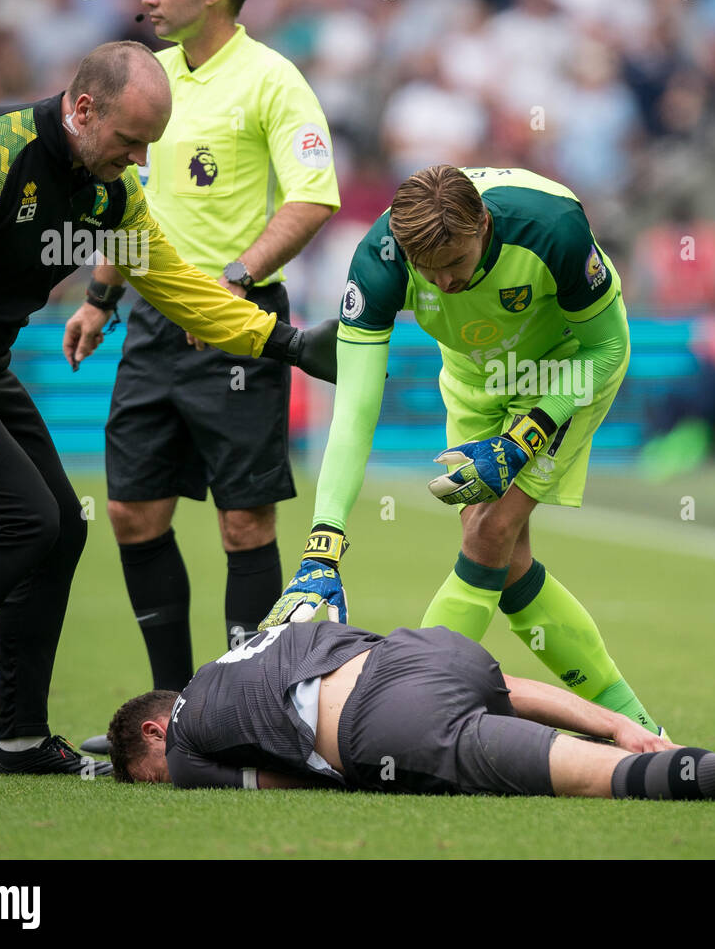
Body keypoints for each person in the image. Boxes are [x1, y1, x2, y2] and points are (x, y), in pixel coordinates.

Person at [0, 41, 336, 781]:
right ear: (84, 108)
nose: (135, 162)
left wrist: (284, 342)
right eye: (129, 142)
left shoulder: (113, 192)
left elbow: (178, 287)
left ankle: (22, 743)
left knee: (60, 530)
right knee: (23, 522)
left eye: (148, 149)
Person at [261, 165, 661, 735]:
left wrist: (527, 435)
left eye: (455, 263)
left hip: (566, 370)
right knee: (506, 558)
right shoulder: (379, 259)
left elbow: (608, 347)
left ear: (485, 225)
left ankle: (404, 708)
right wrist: (323, 544)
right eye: (429, 270)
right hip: (473, 377)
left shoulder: (553, 229)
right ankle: (642, 730)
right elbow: (353, 410)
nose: (444, 283)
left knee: (489, 531)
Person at [63, 0, 340, 709]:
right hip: (152, 325)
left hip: (237, 325)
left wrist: (235, 281)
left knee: (243, 525)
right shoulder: (152, 79)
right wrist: (100, 295)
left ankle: (242, 708)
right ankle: (172, 705)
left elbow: (315, 197)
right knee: (129, 510)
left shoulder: (274, 79)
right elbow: (132, 198)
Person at [107, 620, 715, 807]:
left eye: (145, 773)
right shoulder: (241, 651)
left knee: (605, 782)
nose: (161, 778)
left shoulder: (183, 740)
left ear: (154, 728)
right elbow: (507, 683)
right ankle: (629, 735)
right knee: (587, 733)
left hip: (389, 723)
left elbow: (281, 785)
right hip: (430, 654)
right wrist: (618, 715)